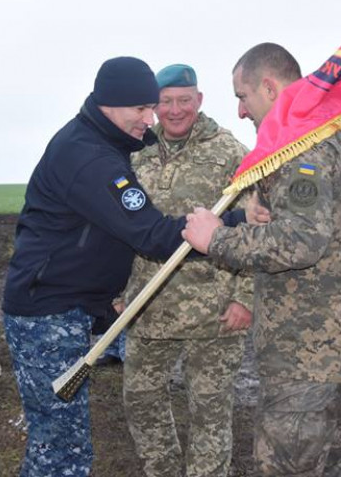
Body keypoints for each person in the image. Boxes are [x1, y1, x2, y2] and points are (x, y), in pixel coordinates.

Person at [1, 57, 247, 477]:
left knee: (62, 441)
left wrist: (100, 304)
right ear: (111, 105)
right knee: (62, 448)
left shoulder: (107, 146)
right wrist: (228, 224)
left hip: (76, 309)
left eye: (155, 107)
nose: (151, 119)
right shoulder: (93, 158)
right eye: (142, 108)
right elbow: (148, 234)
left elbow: (92, 238)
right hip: (49, 315)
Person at [182, 43, 341, 477]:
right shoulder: (339, 136)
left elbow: (301, 241)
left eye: (242, 96)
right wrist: (262, 215)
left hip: (307, 359)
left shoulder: (301, 146)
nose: (240, 111)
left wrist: (217, 239)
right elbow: (327, 229)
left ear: (269, 88)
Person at [122, 63, 252, 477]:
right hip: (149, 303)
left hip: (213, 310)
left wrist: (244, 297)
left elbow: (257, 226)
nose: (175, 110)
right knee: (140, 397)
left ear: (199, 100)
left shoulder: (230, 152)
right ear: (153, 105)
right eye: (165, 102)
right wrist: (116, 287)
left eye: (184, 100)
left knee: (210, 411)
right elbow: (119, 223)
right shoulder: (135, 150)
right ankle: (161, 470)